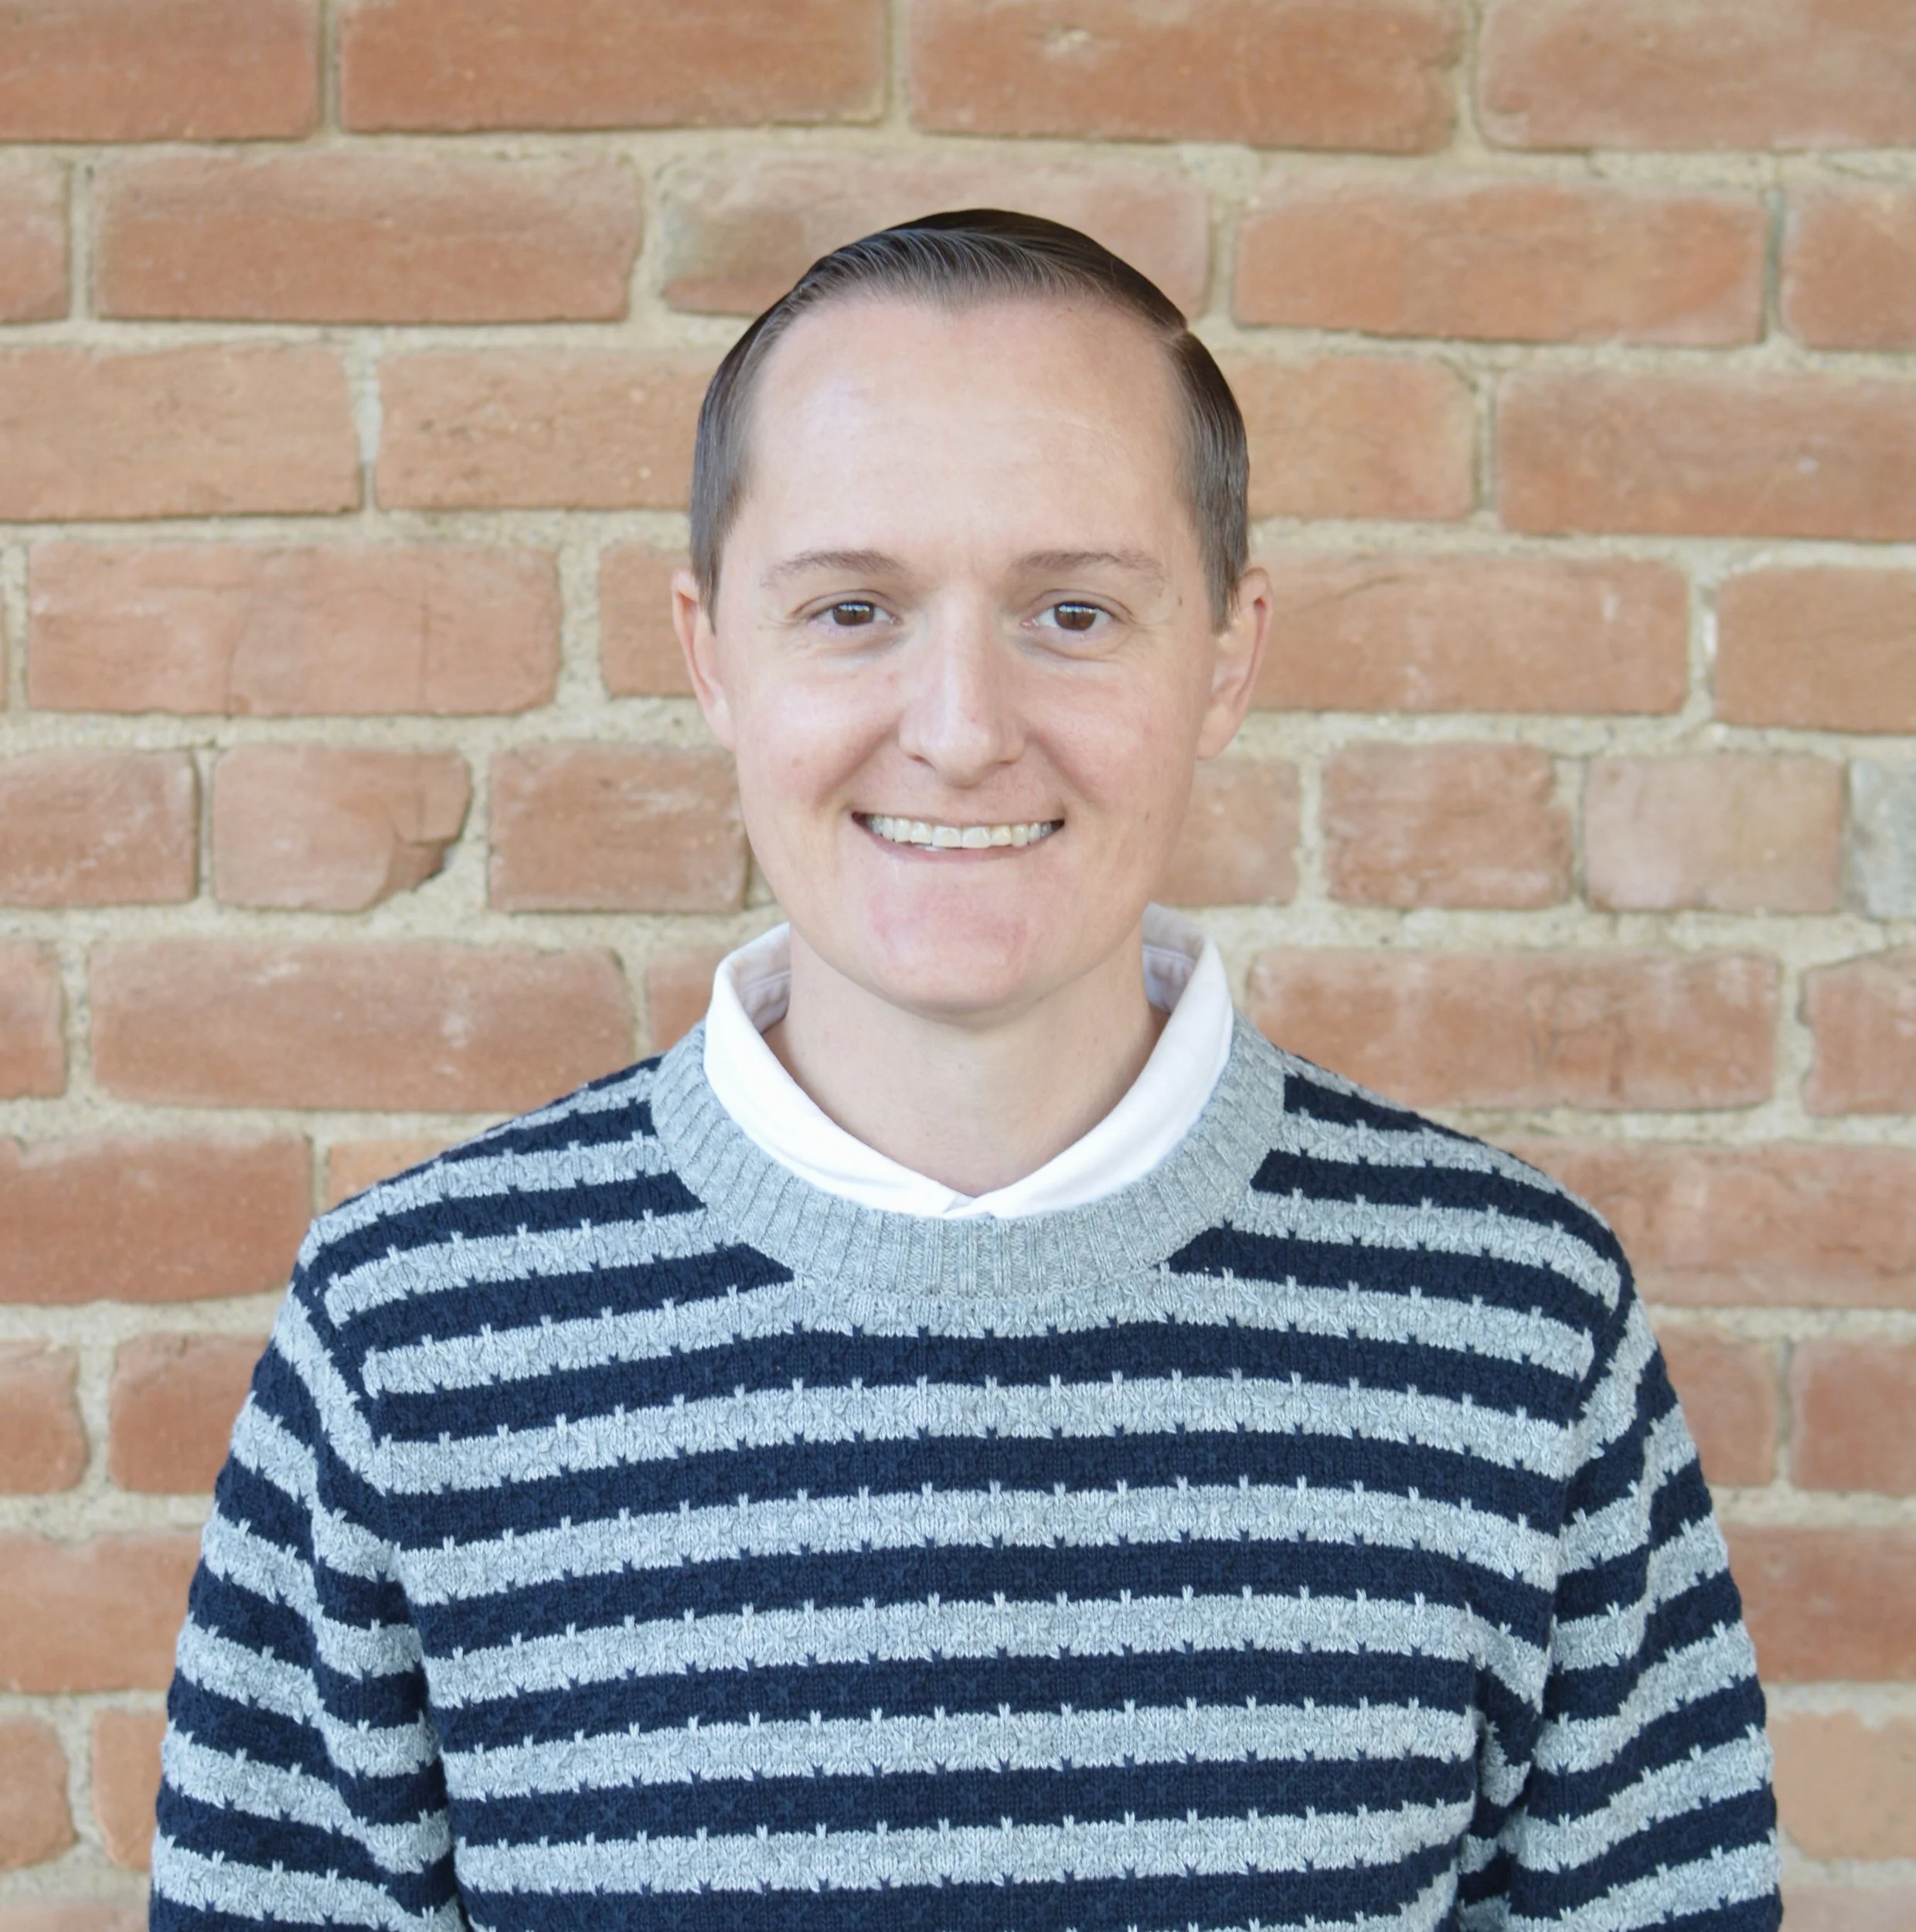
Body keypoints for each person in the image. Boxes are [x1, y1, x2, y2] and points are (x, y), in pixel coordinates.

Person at [150, 213, 1780, 1930]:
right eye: (851, 607)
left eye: (1071, 609)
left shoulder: (1513, 1330)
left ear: (1224, 652)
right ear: (712, 652)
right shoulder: (411, 1334)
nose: (957, 723)